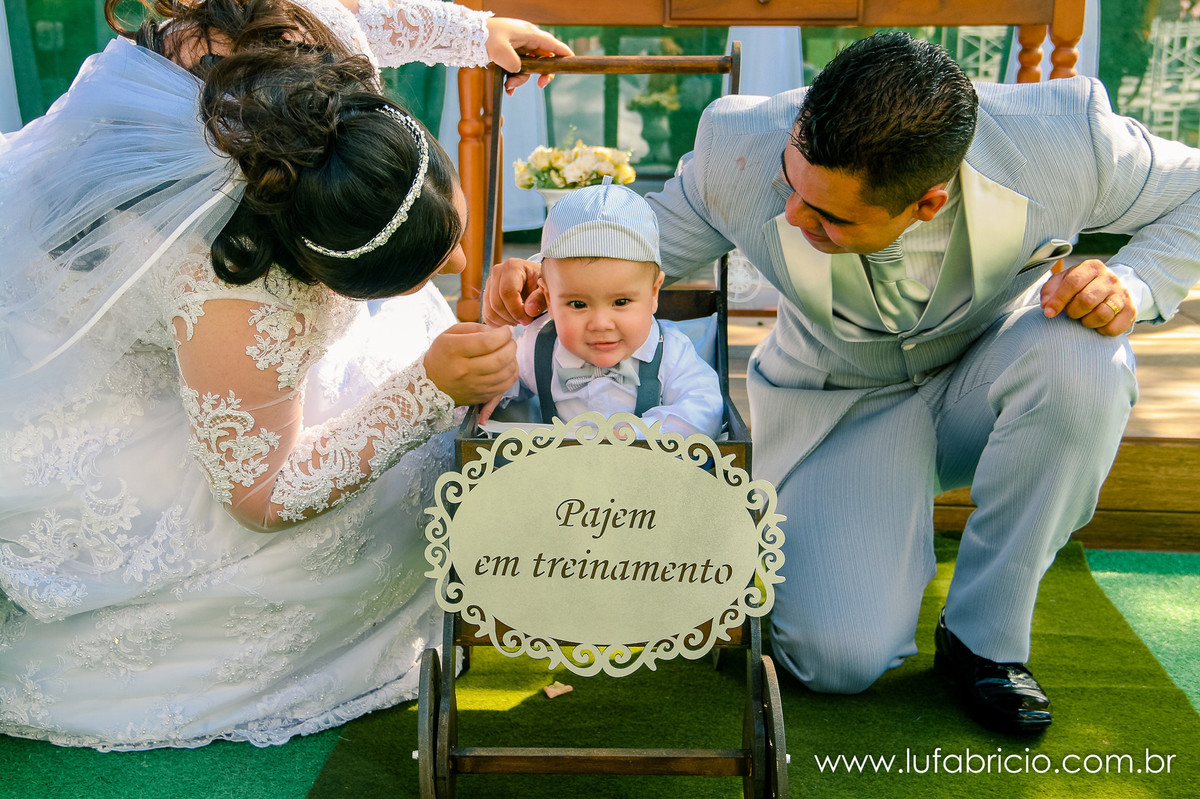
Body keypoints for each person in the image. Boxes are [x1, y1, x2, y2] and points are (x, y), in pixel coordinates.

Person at [484, 32, 1200, 733]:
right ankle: (861, 534)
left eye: (826, 216)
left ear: (927, 202)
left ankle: (986, 636)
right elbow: (634, 251)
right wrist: (544, 278)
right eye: (793, 184)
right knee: (835, 661)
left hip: (993, 376)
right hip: (837, 405)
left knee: (1088, 356)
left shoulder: (1068, 137)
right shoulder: (742, 147)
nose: (791, 216)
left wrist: (1131, 284)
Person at [0, 0, 571, 750]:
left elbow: (358, 14)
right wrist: (424, 392)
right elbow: (258, 490)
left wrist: (472, 35)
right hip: (108, 381)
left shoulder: (313, 59)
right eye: (427, 267)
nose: (463, 267)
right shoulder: (235, 290)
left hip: (209, 338)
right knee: (403, 510)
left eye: (451, 233)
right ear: (319, 272)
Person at [485, 181, 723, 438]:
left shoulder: (671, 352)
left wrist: (639, 434)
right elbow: (504, 373)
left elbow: (704, 409)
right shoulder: (538, 346)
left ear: (654, 294)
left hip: (647, 475)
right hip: (559, 476)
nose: (600, 324)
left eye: (621, 302)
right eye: (578, 304)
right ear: (549, 299)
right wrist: (492, 383)